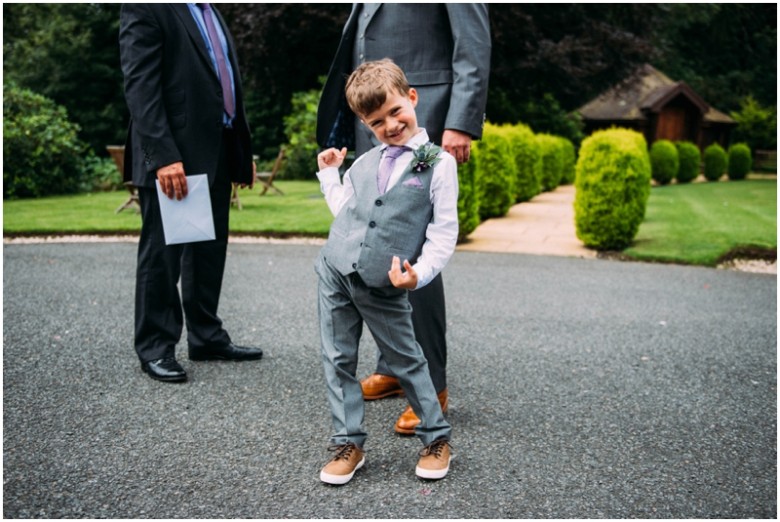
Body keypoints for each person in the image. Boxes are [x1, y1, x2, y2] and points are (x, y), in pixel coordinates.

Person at [316, 3, 491, 434]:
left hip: (425, 111)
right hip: (374, 117)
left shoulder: (420, 133)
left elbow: (473, 40)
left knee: (412, 250)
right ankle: (393, 366)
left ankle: (431, 383)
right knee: (375, 240)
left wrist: (461, 121)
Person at [315, 60, 458, 485]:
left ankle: (436, 438)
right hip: (335, 270)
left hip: (384, 281)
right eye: (377, 122)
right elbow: (349, 212)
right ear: (364, 123)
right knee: (338, 359)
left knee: (408, 359)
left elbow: (444, 233)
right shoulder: (365, 162)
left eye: (396, 112)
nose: (391, 126)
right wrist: (329, 174)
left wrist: (421, 274)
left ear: (412, 97)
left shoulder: (438, 163)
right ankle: (348, 442)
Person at [119, 3, 263, 383]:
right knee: (162, 255)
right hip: (174, 155)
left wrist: (241, 153)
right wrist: (162, 157)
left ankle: (207, 336)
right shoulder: (147, 7)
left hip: (217, 146)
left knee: (209, 250)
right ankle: (155, 347)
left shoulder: (209, 10)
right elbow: (140, 86)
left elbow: (225, 80)